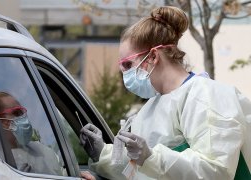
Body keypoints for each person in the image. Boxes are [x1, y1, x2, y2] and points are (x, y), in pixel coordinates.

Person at [80, 6, 251, 180]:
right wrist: (103, 154)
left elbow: (215, 171)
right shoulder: (149, 109)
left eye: (127, 65)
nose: (123, 73)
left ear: (153, 56)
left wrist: (150, 157)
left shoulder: (207, 96)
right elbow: (139, 172)